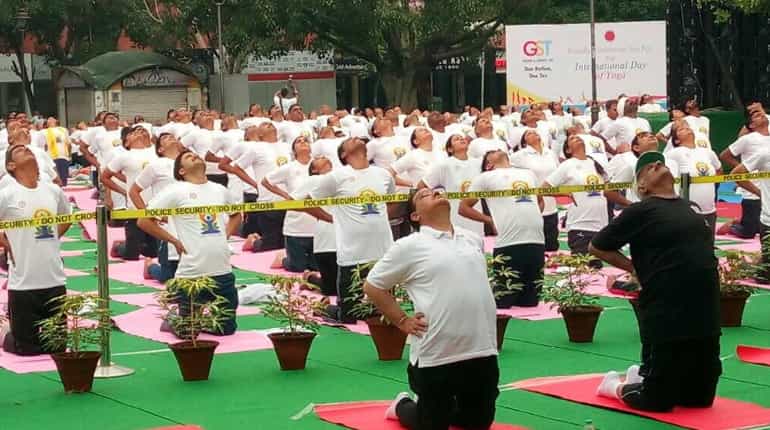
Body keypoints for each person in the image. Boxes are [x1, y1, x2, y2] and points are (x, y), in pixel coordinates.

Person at [589, 151, 721, 412]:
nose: (658, 163)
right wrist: (635, 268)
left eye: (659, 161)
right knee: (657, 402)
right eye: (650, 167)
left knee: (699, 400)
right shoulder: (640, 211)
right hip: (666, 310)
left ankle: (642, 375)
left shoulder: (690, 208)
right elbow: (597, 246)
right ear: (642, 186)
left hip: (705, 313)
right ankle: (613, 386)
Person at [365, 188, 499, 430]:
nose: (436, 192)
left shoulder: (472, 239)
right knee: (432, 424)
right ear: (415, 216)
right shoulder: (409, 246)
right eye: (424, 195)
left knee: (478, 423)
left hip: (481, 347)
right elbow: (373, 286)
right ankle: (402, 405)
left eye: (437, 190)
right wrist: (402, 320)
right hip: (437, 352)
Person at [137, 150, 242, 337]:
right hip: (192, 272)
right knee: (188, 333)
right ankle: (173, 319)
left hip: (222, 270)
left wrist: (225, 235)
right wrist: (173, 240)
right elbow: (144, 220)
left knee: (225, 329)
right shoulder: (175, 190)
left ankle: (198, 319)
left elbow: (236, 215)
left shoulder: (220, 189)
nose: (195, 156)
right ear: (181, 172)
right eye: (187, 157)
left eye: (195, 154)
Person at [310, 137, 396, 323]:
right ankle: (323, 307)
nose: (356, 138)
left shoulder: (383, 175)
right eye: (349, 140)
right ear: (344, 154)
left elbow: (392, 201)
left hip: (383, 251)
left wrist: (377, 222)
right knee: (349, 315)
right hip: (352, 254)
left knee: (383, 311)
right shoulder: (336, 177)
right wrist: (331, 218)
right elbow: (307, 201)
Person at [0, 144, 72, 355]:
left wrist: (50, 238)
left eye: (28, 149)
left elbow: (66, 218)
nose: (27, 150)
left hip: (54, 279)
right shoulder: (7, 194)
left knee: (57, 346)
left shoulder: (53, 190)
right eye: (20, 150)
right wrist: (6, 242)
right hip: (23, 283)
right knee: (26, 349)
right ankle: (4, 331)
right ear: (11, 165)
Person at [460, 150, 545, 307]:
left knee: (531, 303)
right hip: (508, 243)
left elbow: (540, 200)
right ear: (488, 164)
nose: (497, 150)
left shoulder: (528, 174)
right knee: (504, 302)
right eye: (491, 152)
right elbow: (463, 208)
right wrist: (489, 221)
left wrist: (531, 216)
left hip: (536, 240)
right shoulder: (484, 178)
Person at [221, 122, 291, 250]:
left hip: (289, 199)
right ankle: (253, 242)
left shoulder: (286, 146)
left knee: (286, 242)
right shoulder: (256, 148)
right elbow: (237, 168)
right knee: (271, 244)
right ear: (259, 134)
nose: (269, 124)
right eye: (264, 125)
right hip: (268, 199)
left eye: (270, 124)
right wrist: (255, 184)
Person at [543, 135, 609, 268]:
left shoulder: (595, 163)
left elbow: (608, 189)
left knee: (596, 268)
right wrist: (564, 192)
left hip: (601, 223)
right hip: (580, 223)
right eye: (572, 139)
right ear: (568, 150)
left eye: (577, 137)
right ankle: (558, 260)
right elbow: (544, 188)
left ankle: (559, 258)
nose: (576, 138)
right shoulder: (568, 165)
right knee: (584, 268)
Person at [129, 133, 184, 283]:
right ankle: (151, 267)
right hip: (166, 225)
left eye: (172, 136)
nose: (172, 138)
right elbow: (134, 191)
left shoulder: (188, 162)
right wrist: (149, 215)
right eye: (166, 138)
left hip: (188, 220)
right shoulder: (156, 166)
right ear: (160, 149)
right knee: (169, 277)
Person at [259, 136, 317, 272]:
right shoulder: (289, 168)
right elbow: (266, 181)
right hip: (296, 225)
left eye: (306, 140)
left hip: (318, 224)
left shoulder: (318, 165)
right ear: (294, 150)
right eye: (299, 141)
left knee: (316, 267)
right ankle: (283, 259)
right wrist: (286, 196)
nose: (303, 142)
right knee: (298, 267)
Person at [102, 127, 159, 260]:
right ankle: (119, 247)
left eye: (141, 131)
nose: (138, 133)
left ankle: (144, 245)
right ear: (127, 143)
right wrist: (123, 191)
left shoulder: (156, 153)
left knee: (154, 253)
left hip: (156, 207)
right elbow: (105, 177)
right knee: (131, 255)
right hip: (134, 210)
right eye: (133, 133)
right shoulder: (124, 156)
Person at [419, 134, 484, 237]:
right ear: (449, 149)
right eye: (456, 139)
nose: (461, 139)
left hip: (477, 215)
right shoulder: (444, 165)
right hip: (455, 217)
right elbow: (422, 185)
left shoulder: (479, 163)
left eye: (462, 138)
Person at [665, 121, 721, 238]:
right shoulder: (674, 153)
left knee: (708, 246)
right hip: (686, 210)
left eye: (687, 127)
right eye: (681, 129)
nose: (686, 128)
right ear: (676, 140)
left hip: (709, 209)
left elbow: (719, 170)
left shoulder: (708, 152)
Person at [718, 111, 770, 239]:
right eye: (757, 116)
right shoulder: (748, 139)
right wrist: (745, 170)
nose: (762, 115)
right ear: (751, 125)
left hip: (766, 186)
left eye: (762, 114)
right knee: (749, 231)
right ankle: (734, 224)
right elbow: (725, 155)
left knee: (760, 225)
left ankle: (741, 219)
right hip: (752, 192)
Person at [291, 156, 337, 296]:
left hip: (347, 239)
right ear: (314, 169)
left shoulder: (340, 177)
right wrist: (326, 217)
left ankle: (312, 279)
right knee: (331, 290)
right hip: (327, 238)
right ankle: (310, 277)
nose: (323, 157)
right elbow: (294, 203)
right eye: (318, 158)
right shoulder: (314, 180)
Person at [510, 129, 560, 251]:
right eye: (528, 133)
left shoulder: (550, 153)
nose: (534, 133)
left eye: (535, 131)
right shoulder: (519, 156)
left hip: (551, 206)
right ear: (524, 141)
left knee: (552, 247)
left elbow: (558, 174)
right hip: (532, 206)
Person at [42, 117, 72, 186]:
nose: (51, 119)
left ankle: (63, 193)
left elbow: (69, 144)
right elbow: (44, 146)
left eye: (53, 118)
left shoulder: (63, 130)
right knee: (55, 178)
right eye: (49, 119)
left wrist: (70, 156)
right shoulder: (44, 132)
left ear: (56, 121)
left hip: (63, 156)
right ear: (47, 123)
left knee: (64, 177)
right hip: (52, 157)